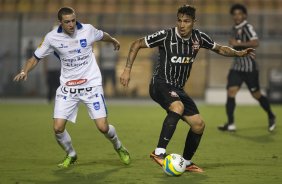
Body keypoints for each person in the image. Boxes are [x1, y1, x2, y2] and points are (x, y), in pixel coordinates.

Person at [120, 5, 254, 173]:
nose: (182, 25)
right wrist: (127, 69)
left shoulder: (199, 38)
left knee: (198, 125)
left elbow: (220, 48)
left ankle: (186, 162)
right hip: (160, 84)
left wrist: (238, 53)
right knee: (178, 107)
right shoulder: (166, 35)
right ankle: (159, 152)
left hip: (178, 89)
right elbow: (136, 43)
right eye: (179, 20)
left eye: (186, 21)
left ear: (193, 22)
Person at [14, 7, 130, 168]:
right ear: (60, 22)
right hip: (68, 88)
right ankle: (71, 154)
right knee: (58, 128)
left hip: (91, 85)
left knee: (103, 127)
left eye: (73, 20)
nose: (71, 24)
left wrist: (114, 41)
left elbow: (103, 35)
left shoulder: (87, 30)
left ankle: (119, 146)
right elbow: (34, 58)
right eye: (67, 22)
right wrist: (24, 71)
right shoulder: (52, 37)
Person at [217, 4, 276, 132]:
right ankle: (231, 123)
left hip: (250, 69)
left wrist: (238, 43)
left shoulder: (247, 27)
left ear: (244, 15)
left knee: (256, 95)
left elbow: (256, 42)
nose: (237, 16)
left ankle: (271, 115)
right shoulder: (234, 28)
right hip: (237, 68)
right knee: (231, 92)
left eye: (239, 14)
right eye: (235, 14)